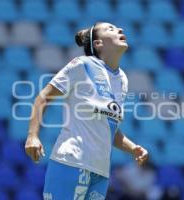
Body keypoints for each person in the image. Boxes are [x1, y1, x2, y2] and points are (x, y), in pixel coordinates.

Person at [25, 22, 148, 200]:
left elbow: (108, 127)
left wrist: (132, 148)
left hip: (101, 173)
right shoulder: (82, 65)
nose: (120, 30)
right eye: (110, 29)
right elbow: (44, 97)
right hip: (72, 162)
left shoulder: (122, 79)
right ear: (98, 44)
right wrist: (32, 136)